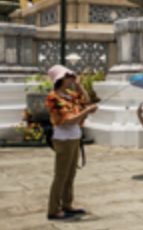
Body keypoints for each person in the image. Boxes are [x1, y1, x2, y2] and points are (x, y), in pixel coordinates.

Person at [45, 64, 97, 221]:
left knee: (70, 175)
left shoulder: (70, 95)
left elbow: (86, 100)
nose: (71, 79)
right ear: (60, 79)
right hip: (63, 140)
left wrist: (79, 84)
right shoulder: (53, 97)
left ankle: (67, 205)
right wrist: (86, 112)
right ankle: (53, 209)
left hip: (74, 138)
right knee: (61, 175)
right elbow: (67, 121)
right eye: (68, 77)